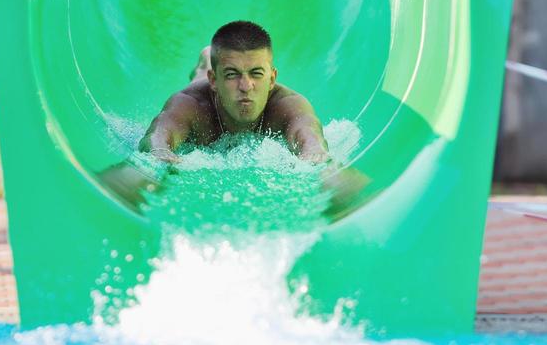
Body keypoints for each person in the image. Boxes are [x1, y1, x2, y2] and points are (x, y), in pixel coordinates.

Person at [99, 20, 369, 215]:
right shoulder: (192, 103)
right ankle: (207, 60)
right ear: (214, 81)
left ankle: (215, 59)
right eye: (232, 75)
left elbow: (311, 139)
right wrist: (158, 154)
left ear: (273, 77)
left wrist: (318, 161)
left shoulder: (288, 105)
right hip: (204, 83)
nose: (246, 86)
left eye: (257, 74)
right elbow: (158, 135)